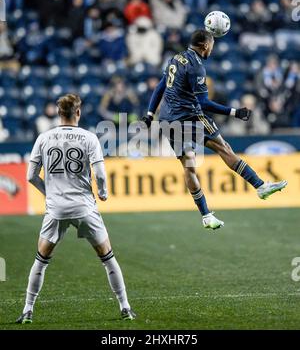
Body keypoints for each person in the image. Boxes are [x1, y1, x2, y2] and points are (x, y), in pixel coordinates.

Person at [141, 29, 287, 229]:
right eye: (212, 45)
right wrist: (235, 112)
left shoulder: (176, 58)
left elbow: (160, 86)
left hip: (168, 119)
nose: (212, 49)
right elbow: (204, 103)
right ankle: (260, 186)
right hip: (191, 116)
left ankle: (206, 215)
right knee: (223, 148)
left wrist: (150, 114)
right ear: (205, 46)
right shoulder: (197, 67)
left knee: (189, 167)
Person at [16, 94, 136, 324]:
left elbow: (30, 176)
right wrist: (102, 192)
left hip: (56, 209)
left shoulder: (44, 138)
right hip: (83, 207)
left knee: (41, 260)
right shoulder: (89, 138)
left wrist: (48, 193)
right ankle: (125, 307)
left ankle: (28, 310)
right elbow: (100, 173)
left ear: (59, 113)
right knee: (108, 258)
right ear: (78, 113)